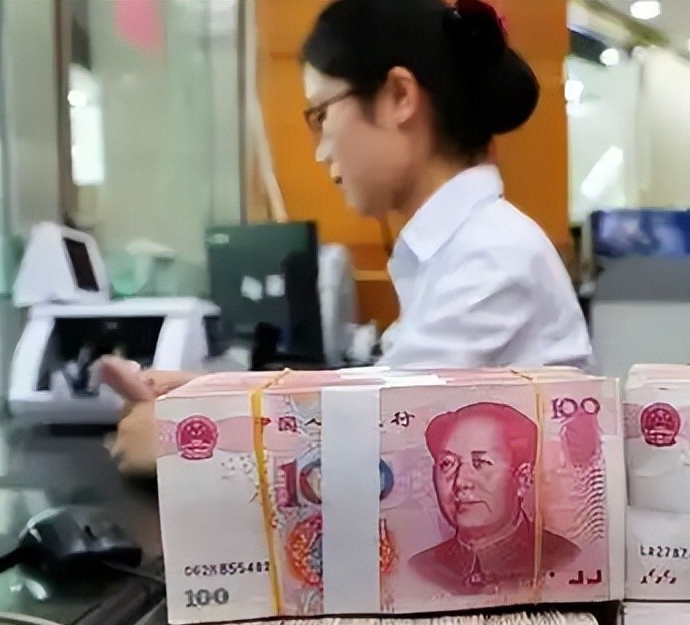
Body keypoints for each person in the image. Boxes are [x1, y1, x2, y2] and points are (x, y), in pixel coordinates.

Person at [101, 0, 592, 476]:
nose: (320, 153)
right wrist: (208, 392)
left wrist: (182, 440)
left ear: (399, 96)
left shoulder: (493, 255)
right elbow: (374, 390)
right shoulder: (462, 246)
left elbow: (378, 435)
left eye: (321, 115)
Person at [407, 402, 580, 593]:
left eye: (481, 462)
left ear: (522, 479)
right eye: (447, 464)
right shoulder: (419, 570)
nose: (460, 481)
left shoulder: (565, 561)